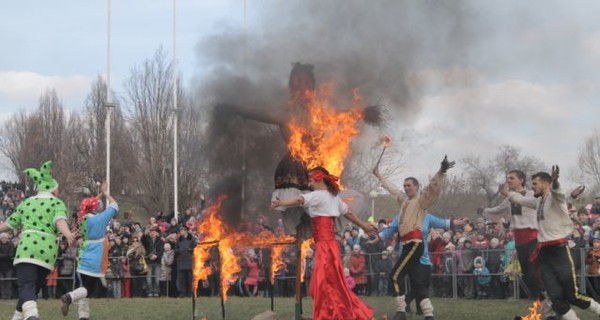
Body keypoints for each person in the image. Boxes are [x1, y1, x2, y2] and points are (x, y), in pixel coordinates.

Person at [271, 166, 377, 320]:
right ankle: (333, 312)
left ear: (319, 179)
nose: (309, 182)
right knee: (331, 283)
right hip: (330, 245)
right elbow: (349, 213)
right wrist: (364, 225)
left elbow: (300, 199)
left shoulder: (318, 195)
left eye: (311, 178)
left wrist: (283, 202)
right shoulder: (333, 198)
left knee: (323, 283)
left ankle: (330, 314)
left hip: (325, 246)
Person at [501, 166, 600, 320]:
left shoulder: (555, 198)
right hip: (544, 253)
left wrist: (556, 181)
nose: (532, 186)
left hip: (559, 251)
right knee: (555, 299)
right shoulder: (538, 200)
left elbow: (559, 193)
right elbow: (520, 199)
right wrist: (507, 193)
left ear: (545, 185)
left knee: (573, 296)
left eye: (535, 184)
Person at [373, 155, 454, 320]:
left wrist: (441, 171)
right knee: (417, 282)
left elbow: (433, 188)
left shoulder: (421, 201)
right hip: (407, 244)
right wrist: (379, 175)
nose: (406, 188)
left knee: (395, 275)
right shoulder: (404, 201)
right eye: (405, 185)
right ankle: (429, 314)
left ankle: (401, 312)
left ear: (416, 187)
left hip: (415, 244)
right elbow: (392, 189)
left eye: (409, 185)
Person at [0, 161, 75, 320]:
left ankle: (32, 316)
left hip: (28, 249)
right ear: (53, 189)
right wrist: (68, 234)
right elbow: (59, 220)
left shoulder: (26, 203)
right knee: (31, 290)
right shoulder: (57, 203)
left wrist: (67, 233)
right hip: (47, 254)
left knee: (26, 287)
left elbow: (8, 224)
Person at [60, 181, 118, 319]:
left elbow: (87, 205)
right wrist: (105, 193)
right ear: (96, 208)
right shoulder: (100, 219)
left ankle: (83, 316)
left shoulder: (82, 219)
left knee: (83, 286)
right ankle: (69, 297)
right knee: (88, 289)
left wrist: (98, 195)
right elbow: (115, 205)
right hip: (96, 257)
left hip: (83, 256)